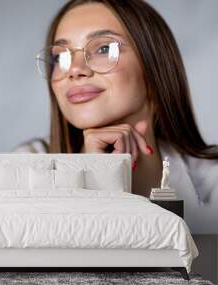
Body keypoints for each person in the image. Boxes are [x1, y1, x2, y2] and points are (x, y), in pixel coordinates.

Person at [12, 0, 218, 234]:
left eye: (103, 49)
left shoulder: (213, 178)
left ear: (154, 68)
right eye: (61, 57)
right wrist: (85, 177)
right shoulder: (24, 167)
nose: (74, 69)